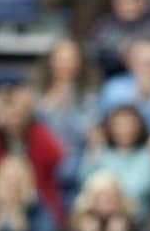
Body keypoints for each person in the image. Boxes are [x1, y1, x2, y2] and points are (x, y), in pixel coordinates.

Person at [0, 83, 66, 226]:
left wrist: (35, 119)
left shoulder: (37, 133)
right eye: (10, 113)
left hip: (34, 198)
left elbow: (55, 155)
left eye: (19, 113)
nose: (15, 119)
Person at [30, 38, 103, 189]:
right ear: (51, 62)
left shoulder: (90, 97)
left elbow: (93, 137)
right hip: (42, 169)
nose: (66, 66)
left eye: (71, 60)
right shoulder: (35, 97)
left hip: (79, 170)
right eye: (62, 60)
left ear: (80, 63)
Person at [80, 105, 150, 220]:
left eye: (130, 125)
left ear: (139, 126)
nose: (125, 130)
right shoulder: (101, 153)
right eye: (119, 125)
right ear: (110, 127)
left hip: (140, 219)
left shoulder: (148, 155)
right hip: (103, 219)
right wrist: (93, 153)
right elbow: (85, 184)